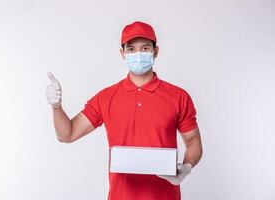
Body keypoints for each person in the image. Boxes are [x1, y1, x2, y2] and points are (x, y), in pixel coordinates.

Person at [46, 21, 203, 200]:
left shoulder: (178, 96)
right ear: (122, 53)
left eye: (145, 48)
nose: (138, 54)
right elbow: (67, 134)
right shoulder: (106, 97)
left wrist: (186, 167)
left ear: (156, 51)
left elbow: (193, 142)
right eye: (131, 49)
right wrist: (56, 107)